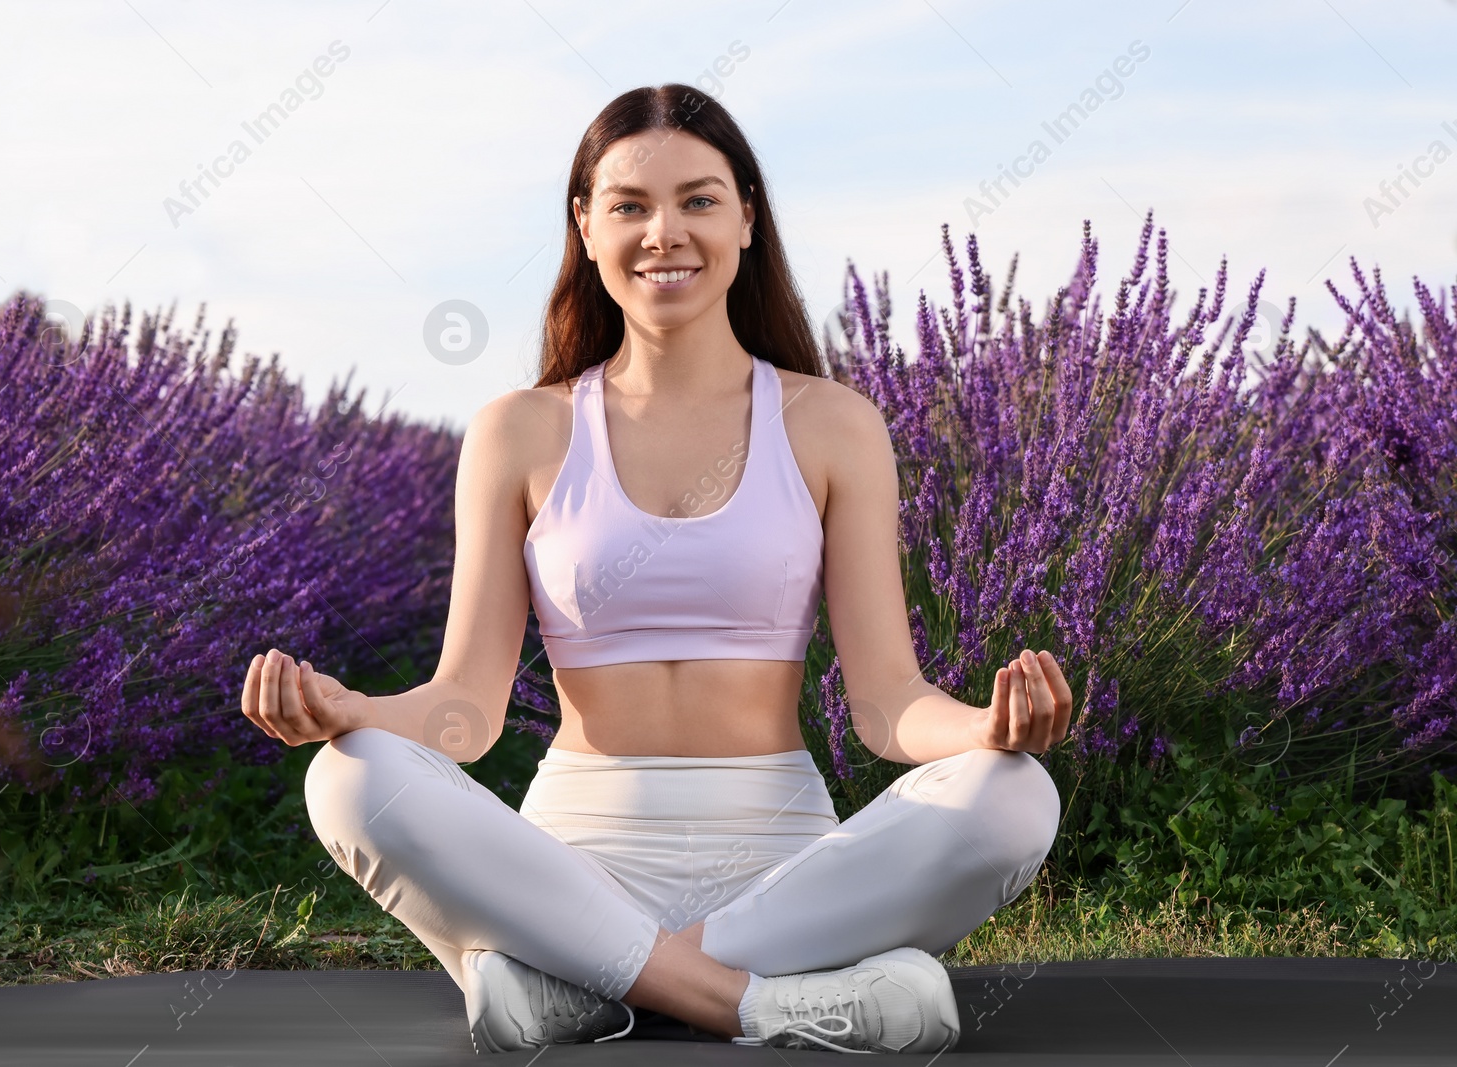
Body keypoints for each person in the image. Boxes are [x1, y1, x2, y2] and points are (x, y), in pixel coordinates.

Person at [241, 83, 1070, 1055]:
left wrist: (987, 728)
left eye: (699, 199)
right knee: (348, 779)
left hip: (783, 866)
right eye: (630, 204)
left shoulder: (833, 424)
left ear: (747, 219)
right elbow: (462, 712)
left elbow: (887, 704)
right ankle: (760, 1003)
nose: (663, 231)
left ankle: (584, 984)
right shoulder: (519, 430)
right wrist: (354, 711)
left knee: (1014, 794)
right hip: (573, 863)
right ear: (585, 225)